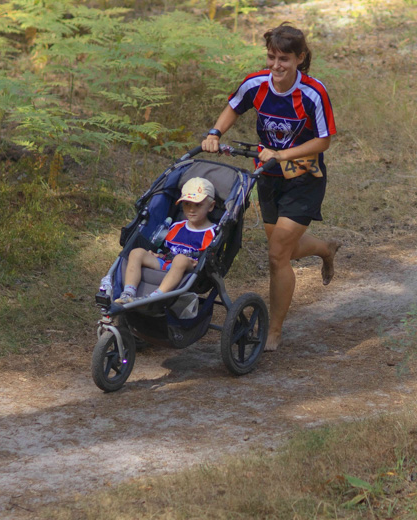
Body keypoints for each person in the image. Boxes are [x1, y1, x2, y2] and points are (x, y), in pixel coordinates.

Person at [201, 23, 339, 351]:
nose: (276, 65)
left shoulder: (313, 93)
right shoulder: (256, 84)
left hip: (305, 178)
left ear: (300, 59)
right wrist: (214, 134)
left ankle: (273, 330)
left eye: (285, 59)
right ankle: (324, 249)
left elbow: (324, 141)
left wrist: (281, 153)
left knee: (277, 255)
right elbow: (233, 107)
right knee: (284, 249)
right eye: (272, 57)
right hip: (268, 176)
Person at [114, 177, 218, 305]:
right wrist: (159, 255)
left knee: (180, 259)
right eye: (187, 204)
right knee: (136, 253)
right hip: (167, 262)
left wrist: (197, 261)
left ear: (211, 206)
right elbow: (167, 250)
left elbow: (208, 258)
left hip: (189, 267)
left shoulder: (212, 232)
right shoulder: (176, 227)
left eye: (198, 205)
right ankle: (128, 293)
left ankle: (156, 296)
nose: (191, 209)